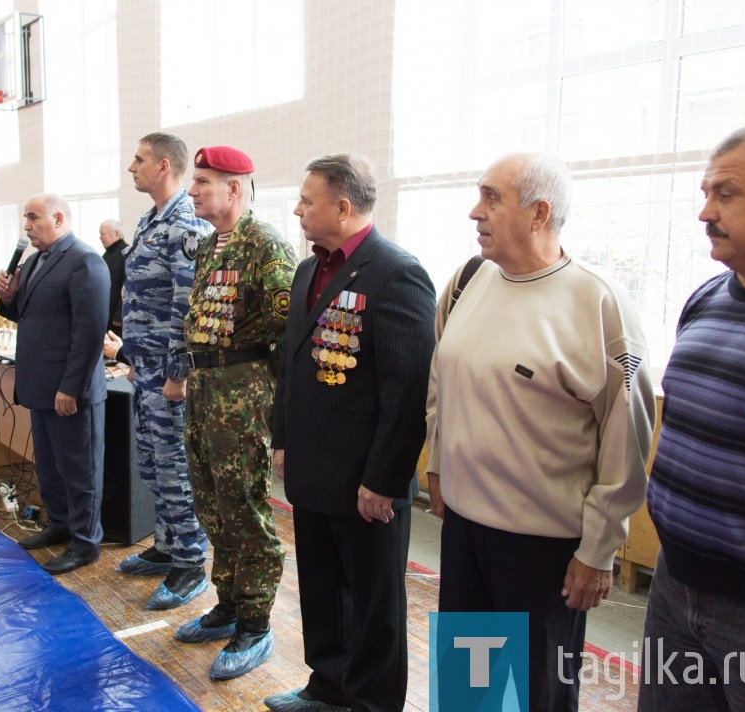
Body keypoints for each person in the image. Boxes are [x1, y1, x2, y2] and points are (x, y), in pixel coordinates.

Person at [424, 152, 656, 712]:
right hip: (465, 536)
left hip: (543, 553)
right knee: (467, 689)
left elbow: (628, 432)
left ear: (539, 212)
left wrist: (600, 549)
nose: (474, 211)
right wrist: (436, 467)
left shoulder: (599, 303)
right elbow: (441, 377)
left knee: (541, 696)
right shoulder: (467, 281)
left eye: (491, 197)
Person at [264, 153, 436, 712]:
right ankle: (328, 687)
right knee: (321, 591)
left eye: (306, 201)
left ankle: (371, 703)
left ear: (342, 205)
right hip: (313, 467)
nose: (297, 210)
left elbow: (407, 391)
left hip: (365, 478)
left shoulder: (396, 272)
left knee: (373, 604)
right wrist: (283, 439)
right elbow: (292, 362)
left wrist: (384, 479)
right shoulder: (309, 268)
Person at [638, 124, 745, 710]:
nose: (705, 212)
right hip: (675, 585)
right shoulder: (706, 297)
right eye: (704, 193)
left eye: (726, 194)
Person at [175, 146, 297, 680]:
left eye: (202, 181)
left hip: (242, 396)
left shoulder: (264, 245)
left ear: (235, 188)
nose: (192, 190)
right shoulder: (207, 247)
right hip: (204, 390)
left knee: (246, 510)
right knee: (211, 504)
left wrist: (275, 408)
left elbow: (289, 332)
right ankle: (227, 603)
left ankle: (256, 621)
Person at [118, 132, 211, 610]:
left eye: (139, 160)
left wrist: (177, 373)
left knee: (174, 464)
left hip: (168, 374)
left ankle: (191, 562)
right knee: (153, 463)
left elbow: (185, 305)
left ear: (163, 166)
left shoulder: (184, 223)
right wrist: (134, 358)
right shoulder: (150, 219)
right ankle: (167, 546)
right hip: (146, 366)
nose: (131, 167)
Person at [0, 193, 110, 576]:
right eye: (25, 218)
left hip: (67, 389)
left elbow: (90, 332)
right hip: (38, 383)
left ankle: (85, 542)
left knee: (79, 469)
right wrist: (8, 297)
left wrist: (71, 387)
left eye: (33, 217)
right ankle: (59, 524)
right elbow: (29, 315)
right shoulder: (33, 262)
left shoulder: (85, 260)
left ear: (58, 218)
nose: (26, 226)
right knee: (48, 464)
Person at [99, 219, 128, 337]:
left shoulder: (126, 253)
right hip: (106, 313)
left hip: (116, 320)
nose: (100, 237)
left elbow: (127, 286)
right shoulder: (107, 255)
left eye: (103, 234)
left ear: (116, 233)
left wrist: (119, 316)